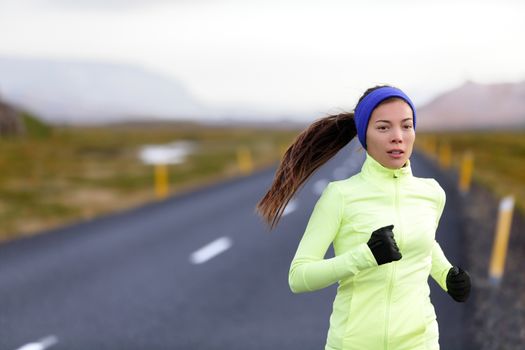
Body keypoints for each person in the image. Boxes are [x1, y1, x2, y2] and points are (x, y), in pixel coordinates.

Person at [255, 85, 471, 350]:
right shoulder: (340, 196)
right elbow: (298, 277)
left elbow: (424, 243)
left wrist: (446, 274)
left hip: (421, 341)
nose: (398, 137)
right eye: (383, 127)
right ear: (364, 135)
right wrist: (365, 257)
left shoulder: (431, 193)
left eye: (406, 126)